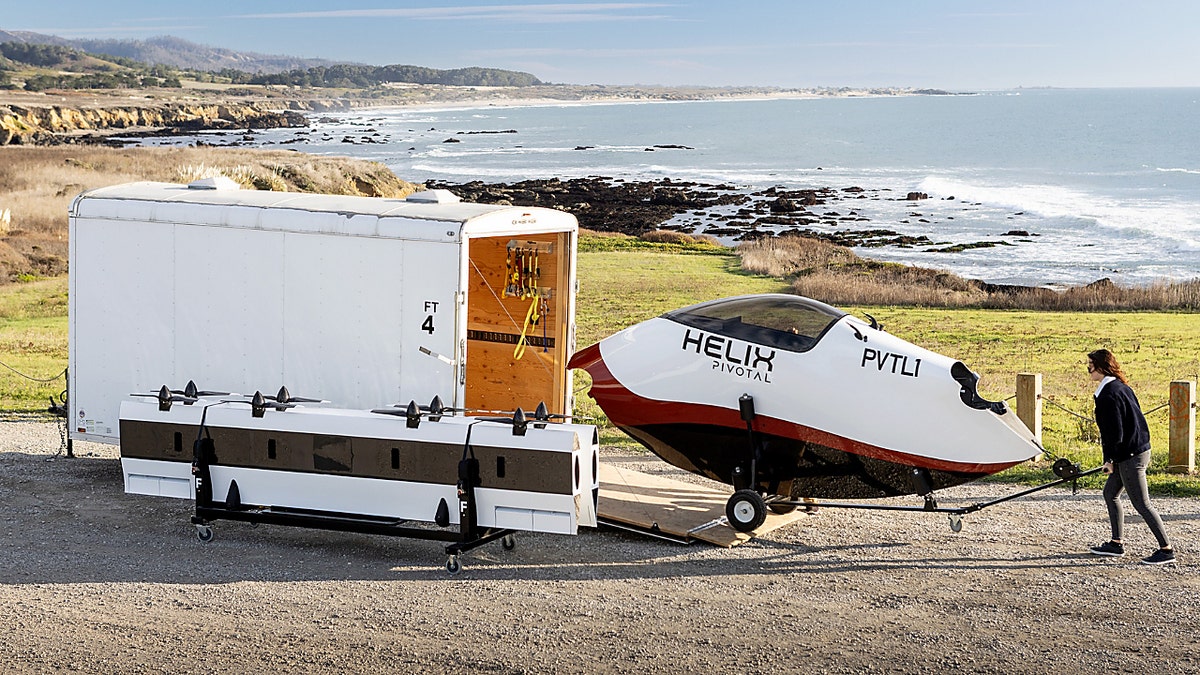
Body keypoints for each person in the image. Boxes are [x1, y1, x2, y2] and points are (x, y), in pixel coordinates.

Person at [1085, 349, 1175, 565]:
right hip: (1135, 450)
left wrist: (1110, 460)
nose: (1087, 369)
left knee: (1141, 503)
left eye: (1090, 365)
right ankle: (1116, 544)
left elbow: (1113, 432)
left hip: (1130, 455)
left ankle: (1166, 549)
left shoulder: (1108, 394)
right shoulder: (1119, 386)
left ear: (1100, 366)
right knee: (1110, 493)